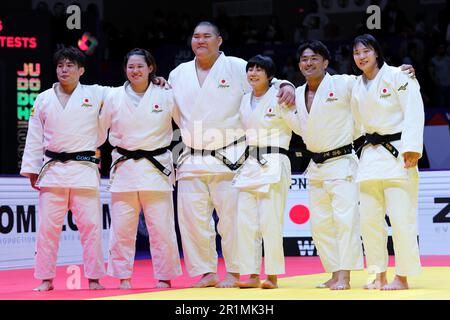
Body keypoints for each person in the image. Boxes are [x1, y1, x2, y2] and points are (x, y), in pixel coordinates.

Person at [168, 21, 295, 288]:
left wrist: (287, 84)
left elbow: (266, 81)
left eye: (206, 36)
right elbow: (172, 108)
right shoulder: (178, 73)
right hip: (191, 155)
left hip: (230, 155)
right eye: (195, 37)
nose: (200, 41)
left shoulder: (237, 67)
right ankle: (206, 271)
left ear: (219, 40)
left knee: (233, 222)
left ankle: (236, 271)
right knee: (193, 220)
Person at [20, 47, 107, 291]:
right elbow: (34, 136)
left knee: (91, 228)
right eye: (60, 65)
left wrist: (155, 82)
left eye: (70, 65)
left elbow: (126, 92)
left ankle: (94, 278)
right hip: (53, 170)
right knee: (48, 229)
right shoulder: (44, 98)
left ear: (81, 70)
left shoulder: (96, 93)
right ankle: (46, 278)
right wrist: (31, 169)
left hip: (84, 170)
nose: (64, 69)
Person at [99, 48, 182, 289]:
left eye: (140, 66)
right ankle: (123, 276)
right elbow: (99, 131)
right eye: (130, 66)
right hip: (124, 167)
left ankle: (164, 276)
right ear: (125, 70)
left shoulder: (166, 95)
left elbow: (185, 124)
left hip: (156, 168)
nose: (135, 71)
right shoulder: (113, 96)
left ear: (150, 68)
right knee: (122, 228)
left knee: (162, 227)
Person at [351, 34, 424, 290]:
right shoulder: (357, 86)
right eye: (356, 53)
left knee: (401, 218)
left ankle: (402, 277)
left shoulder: (398, 76)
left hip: (398, 154)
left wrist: (413, 148)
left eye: (366, 51)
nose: (361, 56)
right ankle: (377, 274)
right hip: (370, 157)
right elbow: (356, 123)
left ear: (377, 53)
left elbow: (414, 109)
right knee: (369, 221)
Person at [294, 41, 364, 290]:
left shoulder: (343, 83)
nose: (309, 63)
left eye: (315, 58)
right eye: (304, 59)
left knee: (345, 222)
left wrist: (401, 71)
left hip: (342, 163)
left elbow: (372, 79)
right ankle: (334, 272)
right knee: (320, 225)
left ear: (326, 62)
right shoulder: (298, 94)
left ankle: (345, 275)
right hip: (316, 167)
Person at [232, 55, 299, 289]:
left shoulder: (281, 95)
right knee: (245, 221)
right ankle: (250, 273)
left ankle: (272, 275)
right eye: (250, 69)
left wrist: (286, 85)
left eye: (259, 69)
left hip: (275, 159)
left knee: (270, 221)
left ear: (270, 75)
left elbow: (298, 126)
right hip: (250, 162)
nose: (253, 73)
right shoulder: (243, 99)